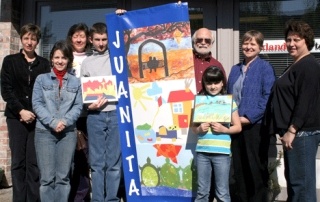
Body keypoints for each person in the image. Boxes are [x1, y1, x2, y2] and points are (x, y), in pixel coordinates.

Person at [266, 20, 320, 202]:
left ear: (307, 41)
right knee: (295, 183)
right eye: (288, 40)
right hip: (295, 134)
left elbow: (305, 101)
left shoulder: (309, 65)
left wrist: (292, 130)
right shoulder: (296, 64)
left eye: (296, 40)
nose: (291, 44)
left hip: (301, 134)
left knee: (302, 187)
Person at [0, 23, 50, 202]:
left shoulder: (44, 64)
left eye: (33, 38)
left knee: (34, 163)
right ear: (21, 39)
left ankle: (33, 199)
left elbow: (47, 92)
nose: (29, 42)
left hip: (37, 120)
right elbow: (6, 90)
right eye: (26, 38)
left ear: (37, 41)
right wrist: (21, 110)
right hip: (16, 118)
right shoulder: (10, 61)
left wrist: (35, 112)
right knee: (18, 163)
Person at [227, 30, 275, 202]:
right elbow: (228, 97)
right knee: (238, 171)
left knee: (255, 170)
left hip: (254, 127)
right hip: (235, 127)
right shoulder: (235, 69)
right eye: (246, 43)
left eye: (252, 44)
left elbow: (268, 98)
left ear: (260, 48)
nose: (248, 47)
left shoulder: (265, 68)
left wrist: (247, 118)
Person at [32, 40, 83, 202]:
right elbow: (37, 104)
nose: (60, 61)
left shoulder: (76, 82)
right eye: (57, 57)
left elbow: (78, 106)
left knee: (63, 178)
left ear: (69, 60)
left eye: (64, 57)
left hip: (67, 134)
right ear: (51, 59)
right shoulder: (41, 79)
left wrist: (65, 122)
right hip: (44, 132)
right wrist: (53, 122)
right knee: (47, 179)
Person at [81, 22, 122, 201]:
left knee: (113, 164)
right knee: (97, 164)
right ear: (91, 40)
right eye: (97, 39)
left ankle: (112, 199)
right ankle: (98, 199)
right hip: (95, 116)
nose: (101, 43)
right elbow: (82, 94)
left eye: (104, 39)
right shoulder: (86, 63)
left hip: (116, 114)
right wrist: (88, 106)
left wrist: (120, 18)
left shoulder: (118, 58)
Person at [193, 66, 242, 202]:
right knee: (202, 192)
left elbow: (237, 127)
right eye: (209, 83)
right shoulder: (199, 101)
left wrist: (224, 129)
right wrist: (199, 129)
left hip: (222, 153)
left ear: (222, 83)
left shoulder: (229, 102)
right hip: (202, 152)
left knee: (222, 193)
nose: (213, 86)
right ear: (204, 83)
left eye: (216, 82)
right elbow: (193, 128)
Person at [66, 22, 91, 202]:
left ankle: (82, 195)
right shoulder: (65, 57)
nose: (79, 39)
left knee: (85, 158)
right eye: (76, 36)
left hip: (89, 115)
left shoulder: (92, 56)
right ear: (71, 38)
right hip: (68, 116)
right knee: (70, 159)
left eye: (82, 36)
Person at [192, 27, 226, 93]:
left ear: (212, 43)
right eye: (199, 40)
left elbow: (223, 89)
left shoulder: (217, 65)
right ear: (194, 42)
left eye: (207, 40)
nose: (203, 43)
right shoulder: (184, 62)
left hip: (209, 103)